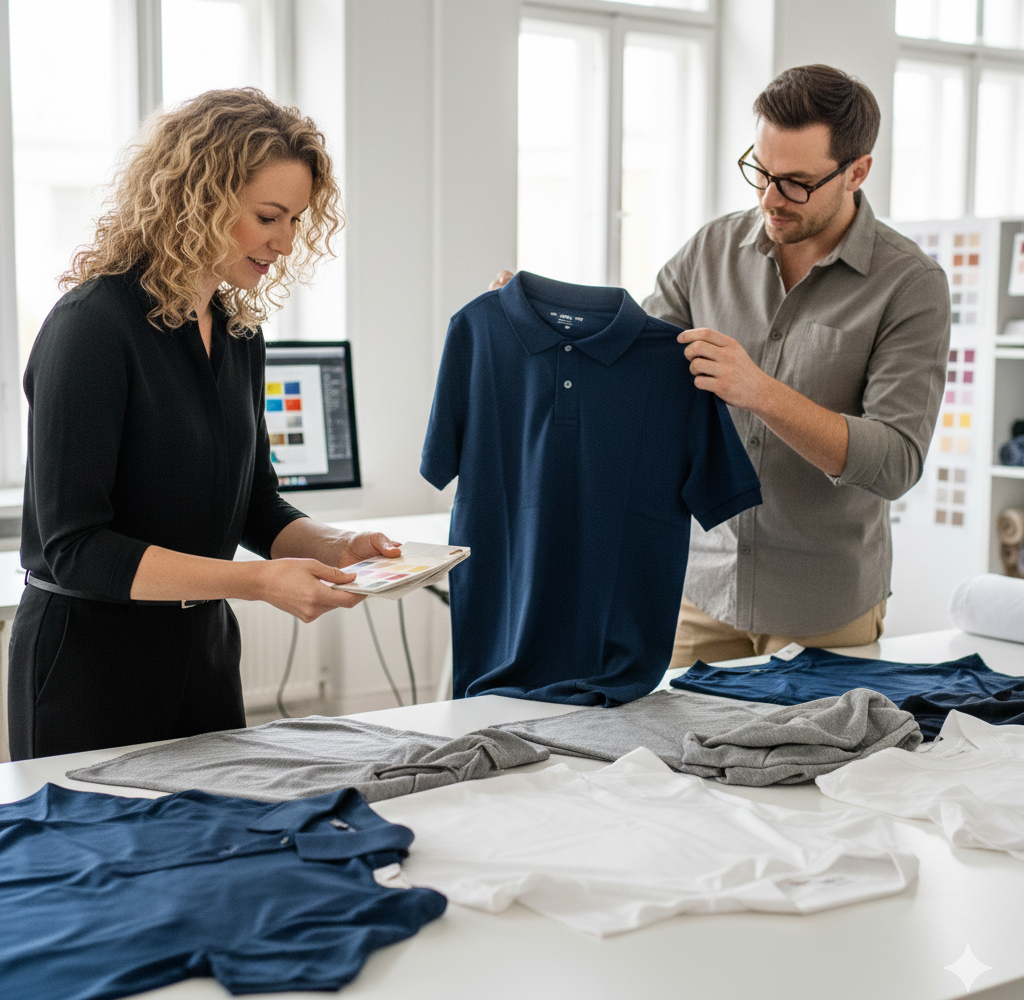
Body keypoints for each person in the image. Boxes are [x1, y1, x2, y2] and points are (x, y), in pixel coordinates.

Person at [492, 64, 950, 669]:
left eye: (796, 183)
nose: (769, 199)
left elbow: (894, 462)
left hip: (824, 607)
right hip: (696, 592)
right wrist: (541, 330)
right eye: (760, 171)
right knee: (662, 760)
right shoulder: (710, 250)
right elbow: (632, 373)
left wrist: (761, 392)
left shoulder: (910, 284)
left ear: (857, 172)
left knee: (814, 766)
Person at [9, 87, 400, 760]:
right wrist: (256, 583)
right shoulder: (93, 327)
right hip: (89, 668)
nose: (284, 242)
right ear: (200, 198)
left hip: (204, 655)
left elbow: (255, 507)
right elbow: (77, 547)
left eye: (297, 220)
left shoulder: (240, 333)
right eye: (268, 216)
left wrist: (338, 547)